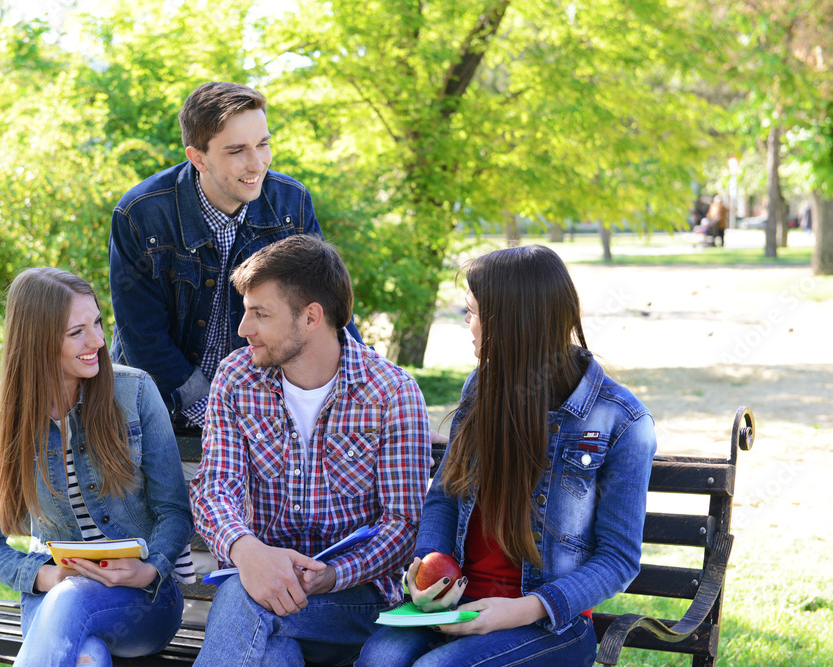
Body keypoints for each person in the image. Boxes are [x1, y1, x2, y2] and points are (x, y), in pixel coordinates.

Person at [357, 245, 657, 667]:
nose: (468, 324)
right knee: (379, 662)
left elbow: (618, 558)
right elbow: (445, 496)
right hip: (457, 607)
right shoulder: (482, 388)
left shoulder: (620, 420)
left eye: (473, 312)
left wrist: (519, 609)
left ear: (512, 323)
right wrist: (429, 567)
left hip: (550, 623)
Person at [189, 235, 432, 666]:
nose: (244, 329)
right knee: (272, 652)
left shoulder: (391, 392)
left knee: (244, 601)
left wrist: (331, 576)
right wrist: (248, 553)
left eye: (260, 314)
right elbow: (214, 488)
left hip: (358, 603)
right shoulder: (237, 378)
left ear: (311, 317)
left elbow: (403, 526)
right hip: (262, 584)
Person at [0, 267, 193, 666]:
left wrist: (149, 569)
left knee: (72, 605)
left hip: (142, 602)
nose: (97, 342)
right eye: (77, 332)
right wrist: (45, 576)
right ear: (36, 341)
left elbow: (174, 511)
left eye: (98, 323)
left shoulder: (136, 391)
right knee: (86, 656)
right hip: (54, 597)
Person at [108, 81, 361, 432]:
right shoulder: (142, 214)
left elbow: (329, 309)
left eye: (263, 144)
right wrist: (216, 415)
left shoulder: (291, 204)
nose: (257, 163)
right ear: (198, 157)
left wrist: (378, 394)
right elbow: (141, 335)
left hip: (256, 409)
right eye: (237, 150)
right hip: (159, 410)